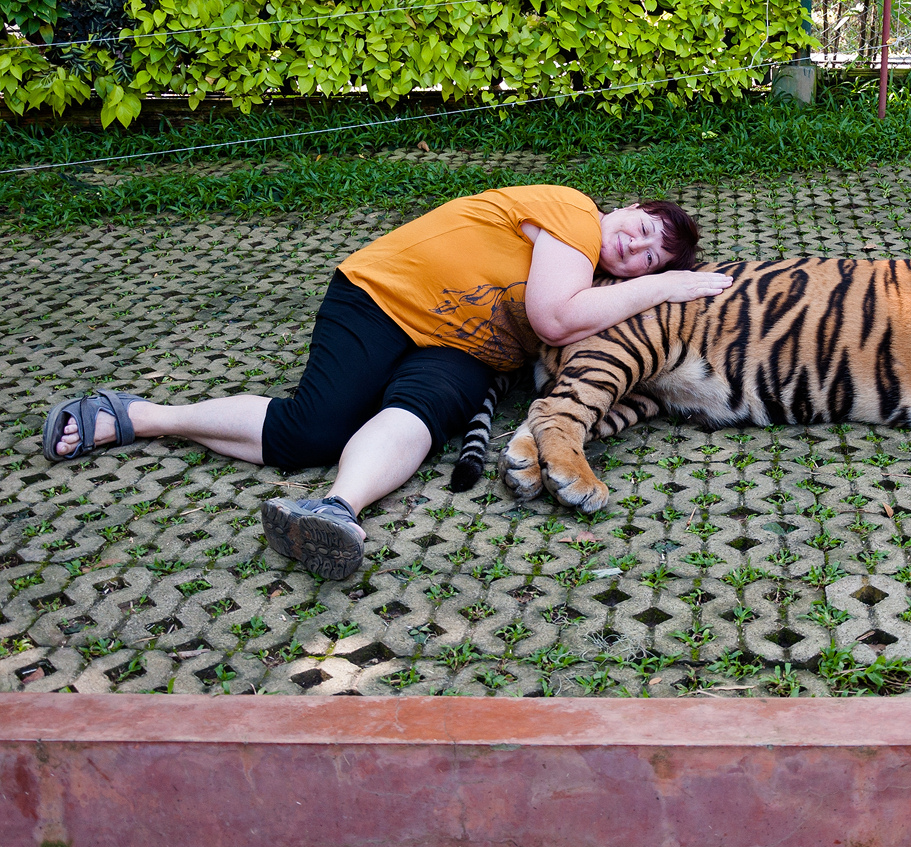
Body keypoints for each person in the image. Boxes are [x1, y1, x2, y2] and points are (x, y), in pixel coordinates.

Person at [43, 185, 730, 580]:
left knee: (422, 414)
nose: (635, 247)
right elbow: (554, 318)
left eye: (649, 259)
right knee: (310, 430)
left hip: (464, 349)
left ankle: (335, 510)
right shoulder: (574, 212)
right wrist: (663, 286)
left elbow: (578, 335)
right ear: (625, 207)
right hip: (383, 297)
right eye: (643, 229)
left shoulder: (604, 282)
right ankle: (142, 414)